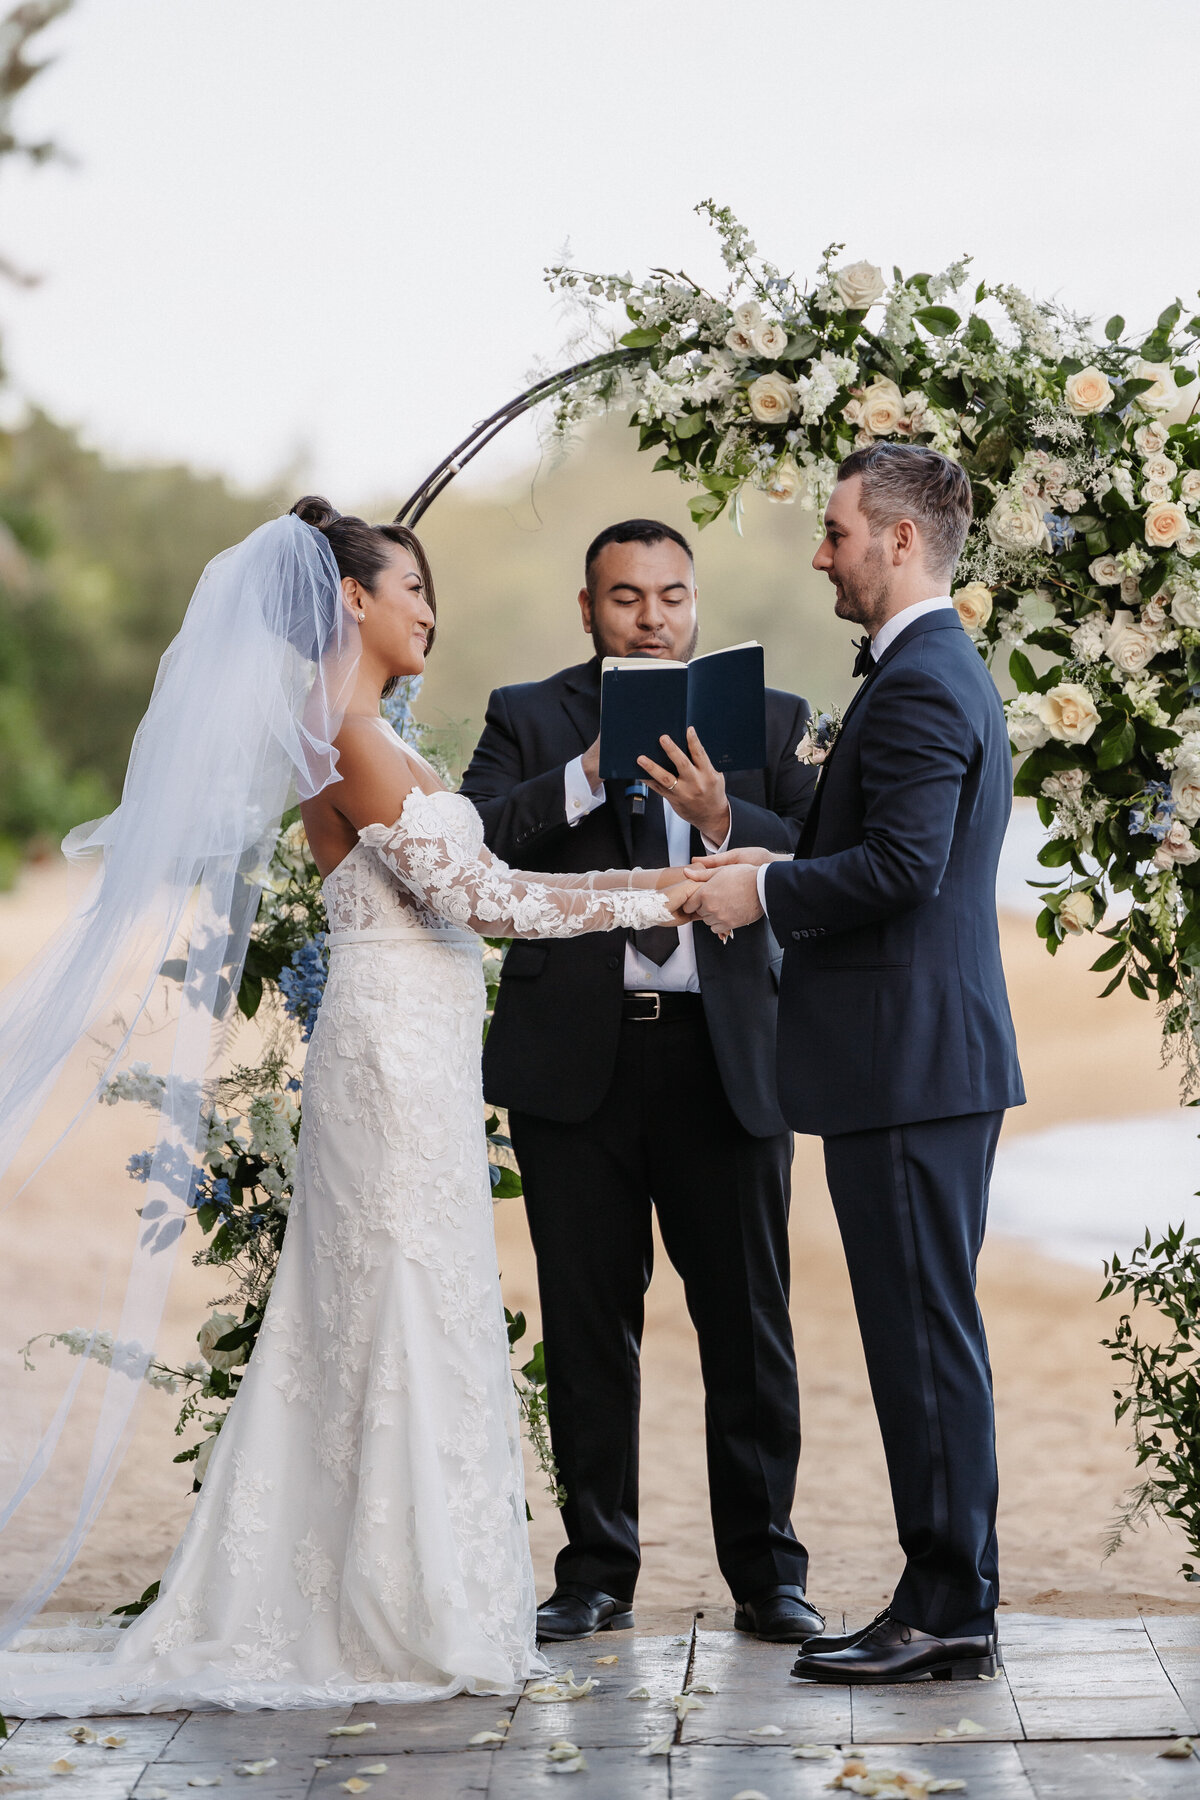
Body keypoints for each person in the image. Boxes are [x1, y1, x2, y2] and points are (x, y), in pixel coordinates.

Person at [0, 501, 698, 1716]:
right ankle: (392, 1608)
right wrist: (663, 893)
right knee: (393, 1305)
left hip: (418, 1049)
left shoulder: (371, 733)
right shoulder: (351, 740)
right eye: (412, 587)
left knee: (403, 1305)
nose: (432, 607)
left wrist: (654, 882)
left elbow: (475, 886)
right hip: (385, 1055)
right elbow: (485, 902)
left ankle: (410, 1592)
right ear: (351, 603)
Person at [686, 444, 1025, 1685]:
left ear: (895, 540)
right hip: (914, 1063)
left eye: (834, 534)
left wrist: (760, 893)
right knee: (923, 1336)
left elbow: (900, 871)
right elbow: (868, 841)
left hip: (910, 1064)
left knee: (924, 1342)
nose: (819, 555)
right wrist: (745, 840)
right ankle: (951, 1599)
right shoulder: (923, 672)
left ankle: (946, 1610)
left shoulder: (927, 679)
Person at [460, 518, 824, 1645]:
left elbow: (827, 854)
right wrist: (578, 776)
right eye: (626, 598)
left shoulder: (771, 721)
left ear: (696, 601)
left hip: (730, 1063)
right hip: (579, 1065)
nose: (652, 617)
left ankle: (769, 1577)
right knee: (585, 1326)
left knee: (749, 1328)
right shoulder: (529, 717)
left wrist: (726, 818)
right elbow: (466, 847)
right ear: (589, 609)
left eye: (672, 595)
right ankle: (595, 1572)